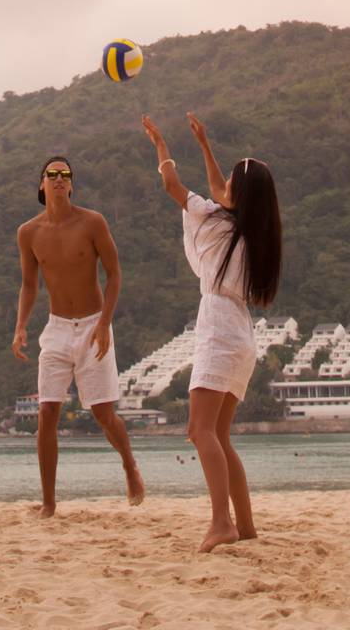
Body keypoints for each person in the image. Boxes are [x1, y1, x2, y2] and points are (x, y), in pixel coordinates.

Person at [141, 110, 282, 553]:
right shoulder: (254, 233)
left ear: (237, 195)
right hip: (240, 333)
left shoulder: (214, 220)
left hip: (219, 328)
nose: (221, 189)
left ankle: (221, 522)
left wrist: (162, 150)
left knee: (200, 431)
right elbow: (224, 190)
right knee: (218, 435)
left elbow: (173, 187)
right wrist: (204, 146)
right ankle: (244, 524)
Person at [11, 156, 144, 517]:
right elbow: (28, 284)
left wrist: (104, 323)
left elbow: (115, 275)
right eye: (51, 174)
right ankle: (50, 503)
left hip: (92, 325)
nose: (58, 179)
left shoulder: (92, 222)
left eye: (64, 175)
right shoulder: (29, 232)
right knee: (47, 412)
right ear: (41, 184)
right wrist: (21, 326)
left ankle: (129, 465)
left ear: (71, 185)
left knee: (103, 414)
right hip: (55, 328)